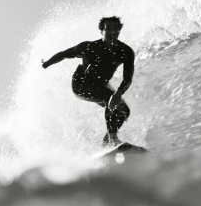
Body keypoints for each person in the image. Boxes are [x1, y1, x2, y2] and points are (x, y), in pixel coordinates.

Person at [41, 16, 135, 147]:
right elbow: (63, 54)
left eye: (115, 28)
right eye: (108, 28)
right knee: (109, 98)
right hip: (81, 84)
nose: (112, 32)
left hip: (100, 85)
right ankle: (113, 139)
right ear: (102, 30)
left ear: (120, 30)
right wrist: (46, 63)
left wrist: (119, 93)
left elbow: (128, 78)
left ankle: (107, 141)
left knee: (124, 111)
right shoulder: (88, 47)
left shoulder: (125, 52)